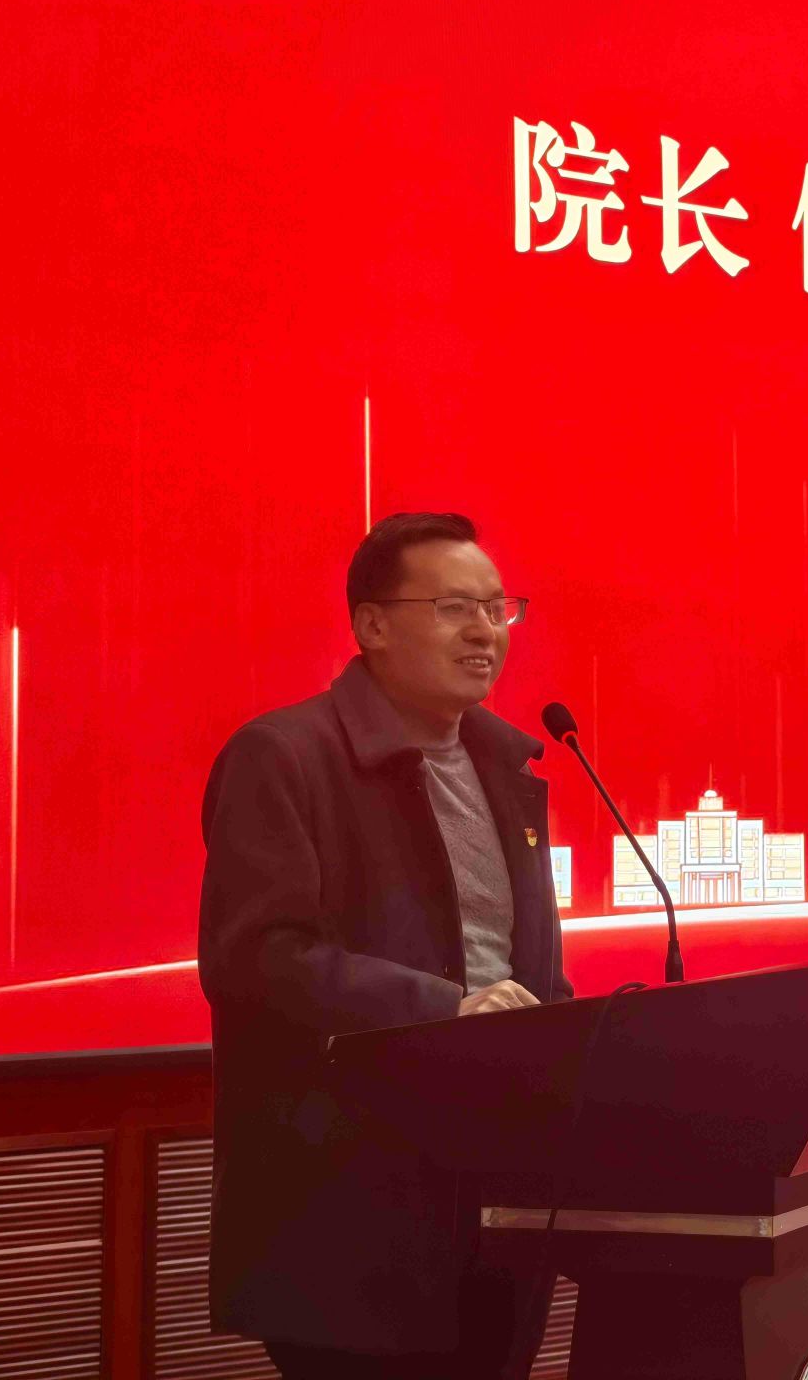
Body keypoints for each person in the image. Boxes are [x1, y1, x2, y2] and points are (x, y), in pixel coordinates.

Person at [198, 511, 569, 1379]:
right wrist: (448, 1010)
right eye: (453, 608)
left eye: (497, 609)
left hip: (500, 1197)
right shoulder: (283, 756)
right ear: (371, 625)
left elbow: (528, 972)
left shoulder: (508, 770)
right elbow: (258, 959)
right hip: (351, 1214)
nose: (484, 631)